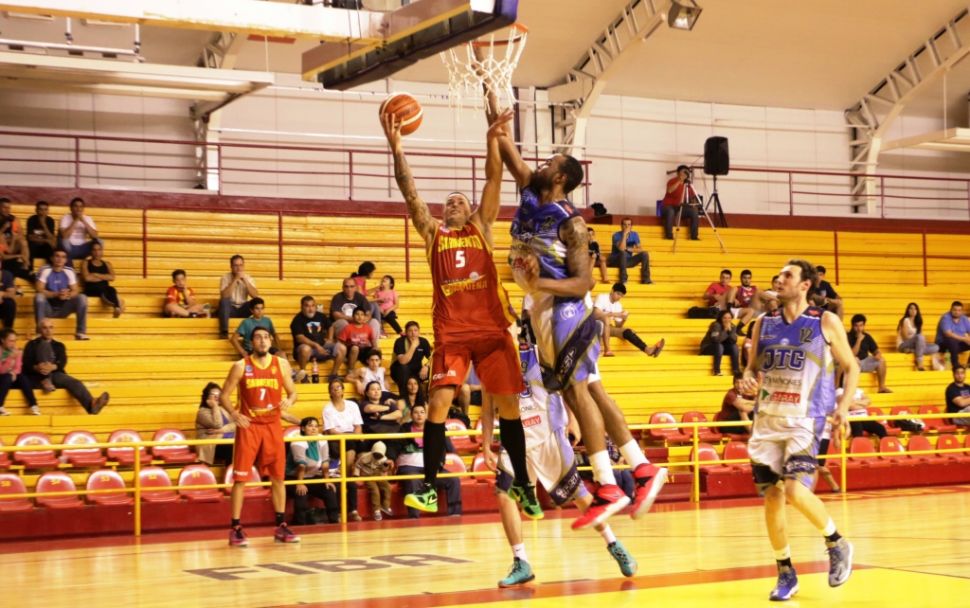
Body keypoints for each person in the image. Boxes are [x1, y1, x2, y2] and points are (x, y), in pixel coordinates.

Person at [494, 87, 665, 529]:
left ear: (561, 178)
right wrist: (492, 102)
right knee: (589, 390)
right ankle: (641, 468)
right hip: (543, 309)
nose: (541, 163)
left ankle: (608, 484)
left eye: (550, 163)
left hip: (566, 307)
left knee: (578, 391)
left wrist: (538, 282)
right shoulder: (531, 194)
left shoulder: (570, 221)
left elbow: (585, 280)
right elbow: (509, 153)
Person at [382, 108, 540, 517]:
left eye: (460, 201)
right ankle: (429, 487)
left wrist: (491, 140)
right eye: (449, 202)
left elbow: (493, 179)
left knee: (509, 409)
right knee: (437, 404)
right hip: (451, 335)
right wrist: (397, 148)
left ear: (470, 210)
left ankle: (524, 483)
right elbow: (410, 194)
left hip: (492, 332)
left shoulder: (481, 227)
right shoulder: (433, 233)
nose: (454, 204)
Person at [740, 259, 856, 601]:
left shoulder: (824, 321)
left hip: (805, 420)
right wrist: (747, 380)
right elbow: (750, 368)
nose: (779, 279)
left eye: (787, 275)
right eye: (778, 275)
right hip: (766, 420)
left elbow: (852, 367)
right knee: (772, 497)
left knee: (793, 490)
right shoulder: (763, 324)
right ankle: (785, 572)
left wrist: (843, 408)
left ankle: (836, 542)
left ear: (805, 285)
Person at [481, 341, 638, 586]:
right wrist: (485, 444)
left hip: (548, 433)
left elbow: (567, 385)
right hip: (515, 438)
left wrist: (572, 419)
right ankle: (521, 561)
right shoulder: (490, 361)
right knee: (504, 495)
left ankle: (614, 544)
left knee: (580, 496)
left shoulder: (538, 350)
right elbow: (488, 407)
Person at [221, 326, 299, 547]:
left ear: (271, 341)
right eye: (258, 337)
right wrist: (235, 414)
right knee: (240, 478)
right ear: (251, 342)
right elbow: (224, 396)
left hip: (272, 425)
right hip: (250, 426)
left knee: (278, 477)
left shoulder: (281, 364)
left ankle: (281, 525)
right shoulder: (240, 366)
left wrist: (289, 400)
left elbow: (293, 392)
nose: (263, 341)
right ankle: (236, 527)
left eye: (266, 337)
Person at [386, 403, 462, 518]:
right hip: (409, 467)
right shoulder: (403, 429)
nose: (419, 415)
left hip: (431, 467)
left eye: (422, 412)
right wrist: (391, 458)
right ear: (411, 415)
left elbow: (443, 448)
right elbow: (393, 446)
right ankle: (414, 516)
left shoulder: (436, 428)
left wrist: (439, 464)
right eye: (416, 412)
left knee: (453, 480)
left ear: (426, 415)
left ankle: (455, 513)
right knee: (413, 480)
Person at [23, 318, 109, 415]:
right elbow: (26, 363)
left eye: (50, 327)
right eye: (45, 328)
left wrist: (52, 367)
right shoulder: (31, 344)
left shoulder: (59, 346)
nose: (48, 331)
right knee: (44, 344)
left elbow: (62, 362)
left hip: (55, 375)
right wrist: (37, 367)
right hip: (36, 376)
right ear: (39, 330)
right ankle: (45, 379)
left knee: (75, 382)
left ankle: (91, 405)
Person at [321, 378, 363, 522]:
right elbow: (331, 431)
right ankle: (347, 472)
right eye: (333, 388)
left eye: (339, 387)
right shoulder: (327, 409)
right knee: (347, 481)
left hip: (353, 438)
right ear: (330, 392)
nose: (336, 389)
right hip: (336, 440)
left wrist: (354, 436)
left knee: (356, 443)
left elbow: (358, 427)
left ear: (343, 390)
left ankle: (346, 471)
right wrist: (348, 437)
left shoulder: (352, 405)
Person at [286, 416, 341, 525]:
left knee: (329, 490)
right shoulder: (297, 441)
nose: (314, 428)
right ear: (303, 428)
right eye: (310, 426)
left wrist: (327, 480)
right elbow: (301, 465)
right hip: (294, 478)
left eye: (316, 426)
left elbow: (325, 462)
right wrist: (300, 483)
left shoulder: (321, 439)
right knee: (301, 493)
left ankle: (334, 521)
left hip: (312, 476)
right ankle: (299, 524)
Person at [593, 282, 664, 358]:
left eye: (621, 295)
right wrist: (615, 314)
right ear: (612, 291)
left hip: (607, 328)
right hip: (594, 325)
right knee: (606, 319)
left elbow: (618, 326)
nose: (619, 297)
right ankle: (607, 350)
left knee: (627, 331)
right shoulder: (602, 297)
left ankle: (648, 350)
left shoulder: (618, 305)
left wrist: (624, 319)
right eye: (618, 294)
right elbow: (595, 314)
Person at [35, 249, 89, 340]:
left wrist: (67, 295)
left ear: (66, 260)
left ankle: (81, 332)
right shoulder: (45, 269)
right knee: (39, 297)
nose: (60, 259)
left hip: (64, 308)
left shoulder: (69, 271)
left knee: (82, 297)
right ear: (52, 258)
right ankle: (40, 333)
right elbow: (39, 289)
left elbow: (75, 290)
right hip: (48, 308)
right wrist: (56, 294)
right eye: (57, 256)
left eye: (63, 257)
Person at [290, 295, 341, 383]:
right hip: (306, 351)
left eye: (313, 305)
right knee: (305, 349)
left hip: (322, 346)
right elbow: (300, 338)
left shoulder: (321, 316)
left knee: (341, 348)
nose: (311, 309)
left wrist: (330, 338)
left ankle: (333, 375)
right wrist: (316, 345)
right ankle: (303, 375)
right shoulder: (297, 320)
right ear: (302, 307)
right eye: (307, 306)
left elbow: (330, 326)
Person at [847, 314, 891, 393]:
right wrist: (859, 340)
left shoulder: (867, 337)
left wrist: (878, 355)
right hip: (853, 362)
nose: (859, 328)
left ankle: (881, 387)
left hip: (865, 362)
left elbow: (876, 350)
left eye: (861, 325)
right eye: (856, 326)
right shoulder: (848, 336)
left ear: (864, 326)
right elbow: (851, 354)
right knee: (855, 359)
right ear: (853, 326)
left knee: (882, 360)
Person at [218, 255, 259, 339]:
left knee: (257, 302)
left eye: (241, 265)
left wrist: (245, 281)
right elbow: (224, 296)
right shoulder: (225, 278)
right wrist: (235, 279)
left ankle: (257, 330)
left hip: (243, 308)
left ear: (243, 266)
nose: (238, 268)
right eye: (235, 265)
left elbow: (255, 295)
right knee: (224, 302)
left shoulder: (248, 278)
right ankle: (224, 332)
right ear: (231, 267)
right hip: (230, 309)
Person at [329, 277, 382, 342]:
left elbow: (368, 313)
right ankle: (346, 345)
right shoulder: (337, 297)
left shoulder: (360, 297)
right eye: (346, 287)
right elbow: (336, 316)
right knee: (343, 322)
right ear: (342, 288)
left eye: (352, 286)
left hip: (358, 325)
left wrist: (365, 319)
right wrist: (353, 319)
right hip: (344, 325)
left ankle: (372, 346)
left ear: (356, 287)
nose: (349, 289)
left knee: (374, 322)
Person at [195, 382, 235, 465]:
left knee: (242, 446)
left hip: (228, 441)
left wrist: (222, 430)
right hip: (211, 445)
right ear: (206, 397)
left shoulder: (224, 409)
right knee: (232, 448)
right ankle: (230, 471)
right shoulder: (202, 412)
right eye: (213, 394)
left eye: (219, 394)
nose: (217, 397)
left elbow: (236, 424)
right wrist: (215, 406)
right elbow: (217, 425)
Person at [0, 328, 38, 417]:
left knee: (22, 377)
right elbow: (1, 370)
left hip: (11, 378)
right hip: (2, 379)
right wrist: (10, 358)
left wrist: (13, 372)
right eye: (10, 341)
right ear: (2, 340)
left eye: (15, 341)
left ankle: (33, 405)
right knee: (7, 377)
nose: (13, 343)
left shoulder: (16, 350)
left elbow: (18, 368)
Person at [81, 242, 123, 318]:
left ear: (102, 251)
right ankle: (116, 304)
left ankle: (116, 307)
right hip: (90, 290)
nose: (97, 252)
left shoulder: (107, 264)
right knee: (105, 290)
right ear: (91, 251)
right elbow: (87, 278)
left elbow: (112, 277)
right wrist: (104, 277)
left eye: (99, 250)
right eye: (94, 250)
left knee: (112, 289)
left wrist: (95, 274)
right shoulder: (86, 262)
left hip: (105, 289)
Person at [354, 440, 394, 521]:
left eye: (380, 455)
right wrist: (356, 476)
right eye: (376, 454)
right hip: (367, 475)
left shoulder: (384, 459)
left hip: (378, 474)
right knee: (375, 490)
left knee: (387, 487)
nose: (377, 456)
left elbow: (384, 470)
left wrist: (386, 465)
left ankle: (385, 506)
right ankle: (376, 510)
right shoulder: (365, 457)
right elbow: (357, 466)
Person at [896, 302, 943, 371]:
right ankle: (919, 363)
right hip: (903, 345)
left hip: (914, 346)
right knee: (919, 337)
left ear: (917, 311)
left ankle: (913, 351)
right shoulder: (905, 320)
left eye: (915, 309)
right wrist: (918, 340)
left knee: (936, 347)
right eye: (911, 308)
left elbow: (921, 337)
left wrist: (921, 342)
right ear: (908, 310)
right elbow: (905, 338)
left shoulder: (918, 322)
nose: (913, 310)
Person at [390, 320, 431, 395]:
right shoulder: (400, 341)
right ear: (406, 332)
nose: (413, 333)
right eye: (410, 331)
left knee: (433, 370)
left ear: (419, 332)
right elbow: (403, 361)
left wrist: (426, 366)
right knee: (404, 368)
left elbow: (432, 357)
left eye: (415, 330)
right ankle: (404, 397)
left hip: (416, 371)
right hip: (399, 370)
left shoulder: (423, 341)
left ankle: (427, 396)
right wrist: (413, 346)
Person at [607, 217, 652, 285]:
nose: (627, 226)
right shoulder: (615, 235)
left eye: (629, 224)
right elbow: (622, 249)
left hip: (628, 261)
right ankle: (623, 280)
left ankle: (646, 279)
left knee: (644, 254)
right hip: (616, 261)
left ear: (631, 226)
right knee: (623, 253)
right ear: (621, 226)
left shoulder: (634, 235)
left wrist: (629, 249)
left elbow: (640, 249)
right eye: (625, 224)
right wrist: (624, 234)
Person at [660, 165, 700, 240]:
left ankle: (694, 236)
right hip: (668, 207)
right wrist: (679, 181)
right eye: (683, 172)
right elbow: (669, 191)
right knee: (671, 211)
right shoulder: (672, 181)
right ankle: (669, 236)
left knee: (694, 211)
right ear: (678, 173)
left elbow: (693, 197)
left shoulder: (688, 184)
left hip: (680, 208)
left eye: (686, 172)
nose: (685, 174)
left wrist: (694, 204)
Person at [0, 198, 34, 283]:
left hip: (11, 247)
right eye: (4, 207)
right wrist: (3, 228)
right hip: (2, 249)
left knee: (23, 242)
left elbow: (20, 235)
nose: (7, 210)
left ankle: (26, 266)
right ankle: (25, 272)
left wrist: (11, 239)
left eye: (9, 208)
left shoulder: (13, 219)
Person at [58, 197, 101, 261]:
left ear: (83, 209)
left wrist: (83, 220)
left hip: (83, 248)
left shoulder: (88, 218)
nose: (78, 209)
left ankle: (94, 264)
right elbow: (65, 236)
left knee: (100, 241)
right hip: (69, 248)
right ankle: (69, 262)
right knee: (62, 240)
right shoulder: (65, 218)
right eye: (76, 206)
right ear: (71, 208)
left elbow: (95, 236)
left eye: (81, 207)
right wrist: (76, 220)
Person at [700, 309, 740, 376]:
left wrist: (730, 332)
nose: (727, 320)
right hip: (708, 347)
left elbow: (733, 341)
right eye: (725, 318)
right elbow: (716, 340)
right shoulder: (716, 325)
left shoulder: (733, 326)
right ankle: (717, 371)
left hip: (721, 348)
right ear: (720, 318)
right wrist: (725, 330)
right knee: (719, 346)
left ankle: (736, 370)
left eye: (729, 318)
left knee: (734, 346)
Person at [935, 301, 970, 369]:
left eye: (959, 310)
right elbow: (948, 334)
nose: (957, 312)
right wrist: (964, 339)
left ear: (962, 311)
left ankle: (969, 364)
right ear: (951, 310)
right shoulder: (945, 318)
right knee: (952, 341)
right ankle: (956, 366)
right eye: (955, 310)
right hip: (943, 344)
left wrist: (968, 339)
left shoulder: (964, 318)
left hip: (958, 344)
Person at [26, 200, 57, 269]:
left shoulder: (50, 220)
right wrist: (46, 240)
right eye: (41, 209)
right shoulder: (31, 219)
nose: (43, 212)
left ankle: (50, 270)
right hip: (34, 247)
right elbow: (30, 238)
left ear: (48, 211)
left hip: (44, 248)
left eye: (45, 210)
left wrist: (44, 225)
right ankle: (30, 271)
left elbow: (51, 238)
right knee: (30, 246)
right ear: (36, 210)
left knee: (50, 247)